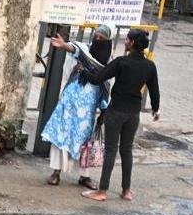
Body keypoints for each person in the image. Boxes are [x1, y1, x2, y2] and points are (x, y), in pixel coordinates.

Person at [52, 29, 160, 202]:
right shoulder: (149, 66)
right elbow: (154, 90)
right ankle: (126, 191)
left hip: (116, 111)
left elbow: (97, 79)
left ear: (132, 43)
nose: (124, 42)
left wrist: (82, 70)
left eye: (127, 40)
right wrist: (156, 109)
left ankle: (102, 191)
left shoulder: (121, 62)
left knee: (111, 150)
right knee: (127, 150)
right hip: (133, 114)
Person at [41, 25, 114, 189]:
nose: (98, 40)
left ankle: (84, 177)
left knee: (84, 141)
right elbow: (74, 49)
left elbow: (106, 85)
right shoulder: (85, 49)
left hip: (87, 110)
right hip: (69, 103)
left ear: (108, 41)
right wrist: (64, 45)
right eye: (96, 36)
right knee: (61, 135)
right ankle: (56, 172)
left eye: (102, 38)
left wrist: (103, 109)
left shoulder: (109, 62)